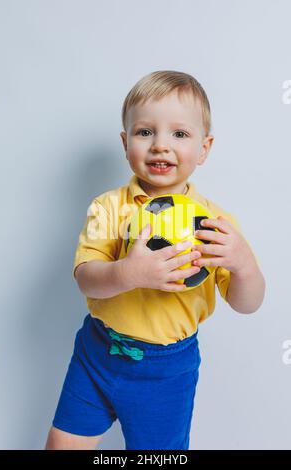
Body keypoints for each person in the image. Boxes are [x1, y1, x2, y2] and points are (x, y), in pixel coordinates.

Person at [45, 70, 265, 450]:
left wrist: (244, 266)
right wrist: (126, 273)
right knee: (62, 445)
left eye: (179, 134)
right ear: (125, 141)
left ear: (204, 148)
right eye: (145, 132)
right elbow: (85, 276)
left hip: (167, 371)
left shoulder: (215, 225)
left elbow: (248, 304)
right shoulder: (109, 208)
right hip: (98, 352)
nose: (161, 145)